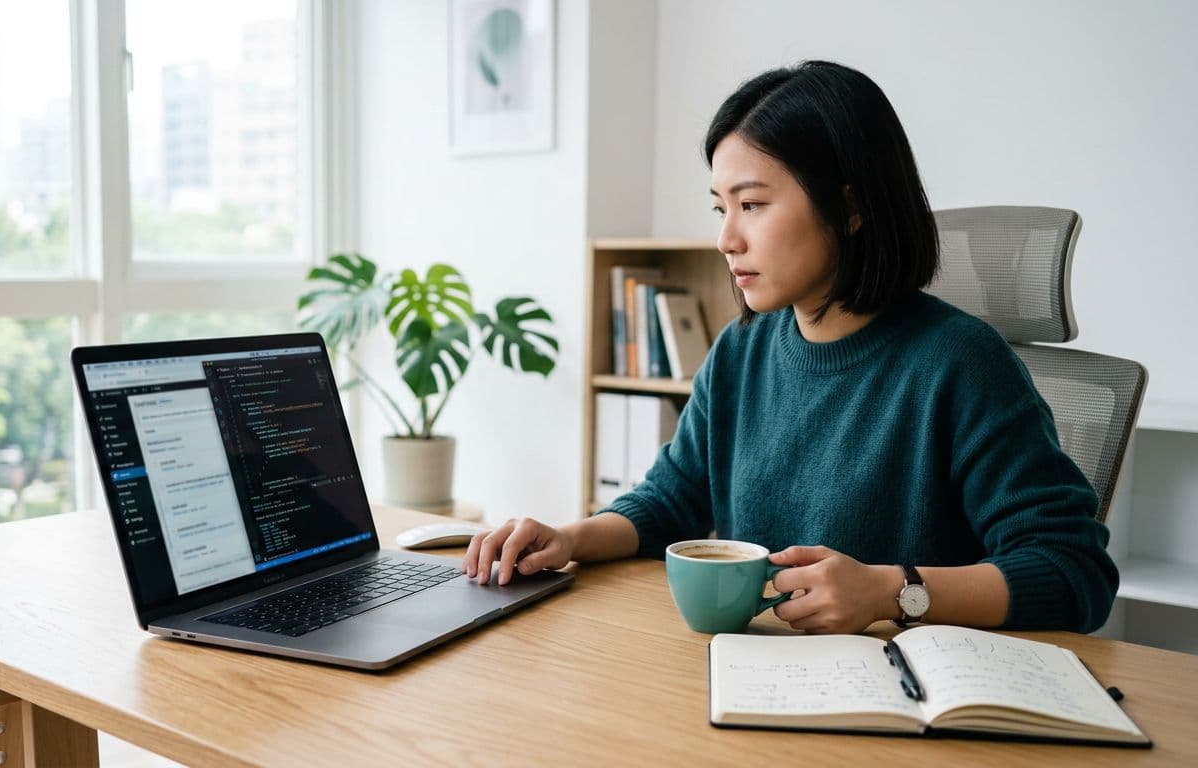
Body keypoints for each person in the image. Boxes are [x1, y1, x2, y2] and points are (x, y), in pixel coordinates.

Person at [460, 60, 1118, 635]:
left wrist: (892, 591)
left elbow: (1072, 570)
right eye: (720, 208)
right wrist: (569, 537)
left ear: (851, 208)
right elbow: (670, 502)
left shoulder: (960, 362)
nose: (726, 239)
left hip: (906, 693)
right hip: (766, 674)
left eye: (752, 205)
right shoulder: (739, 353)